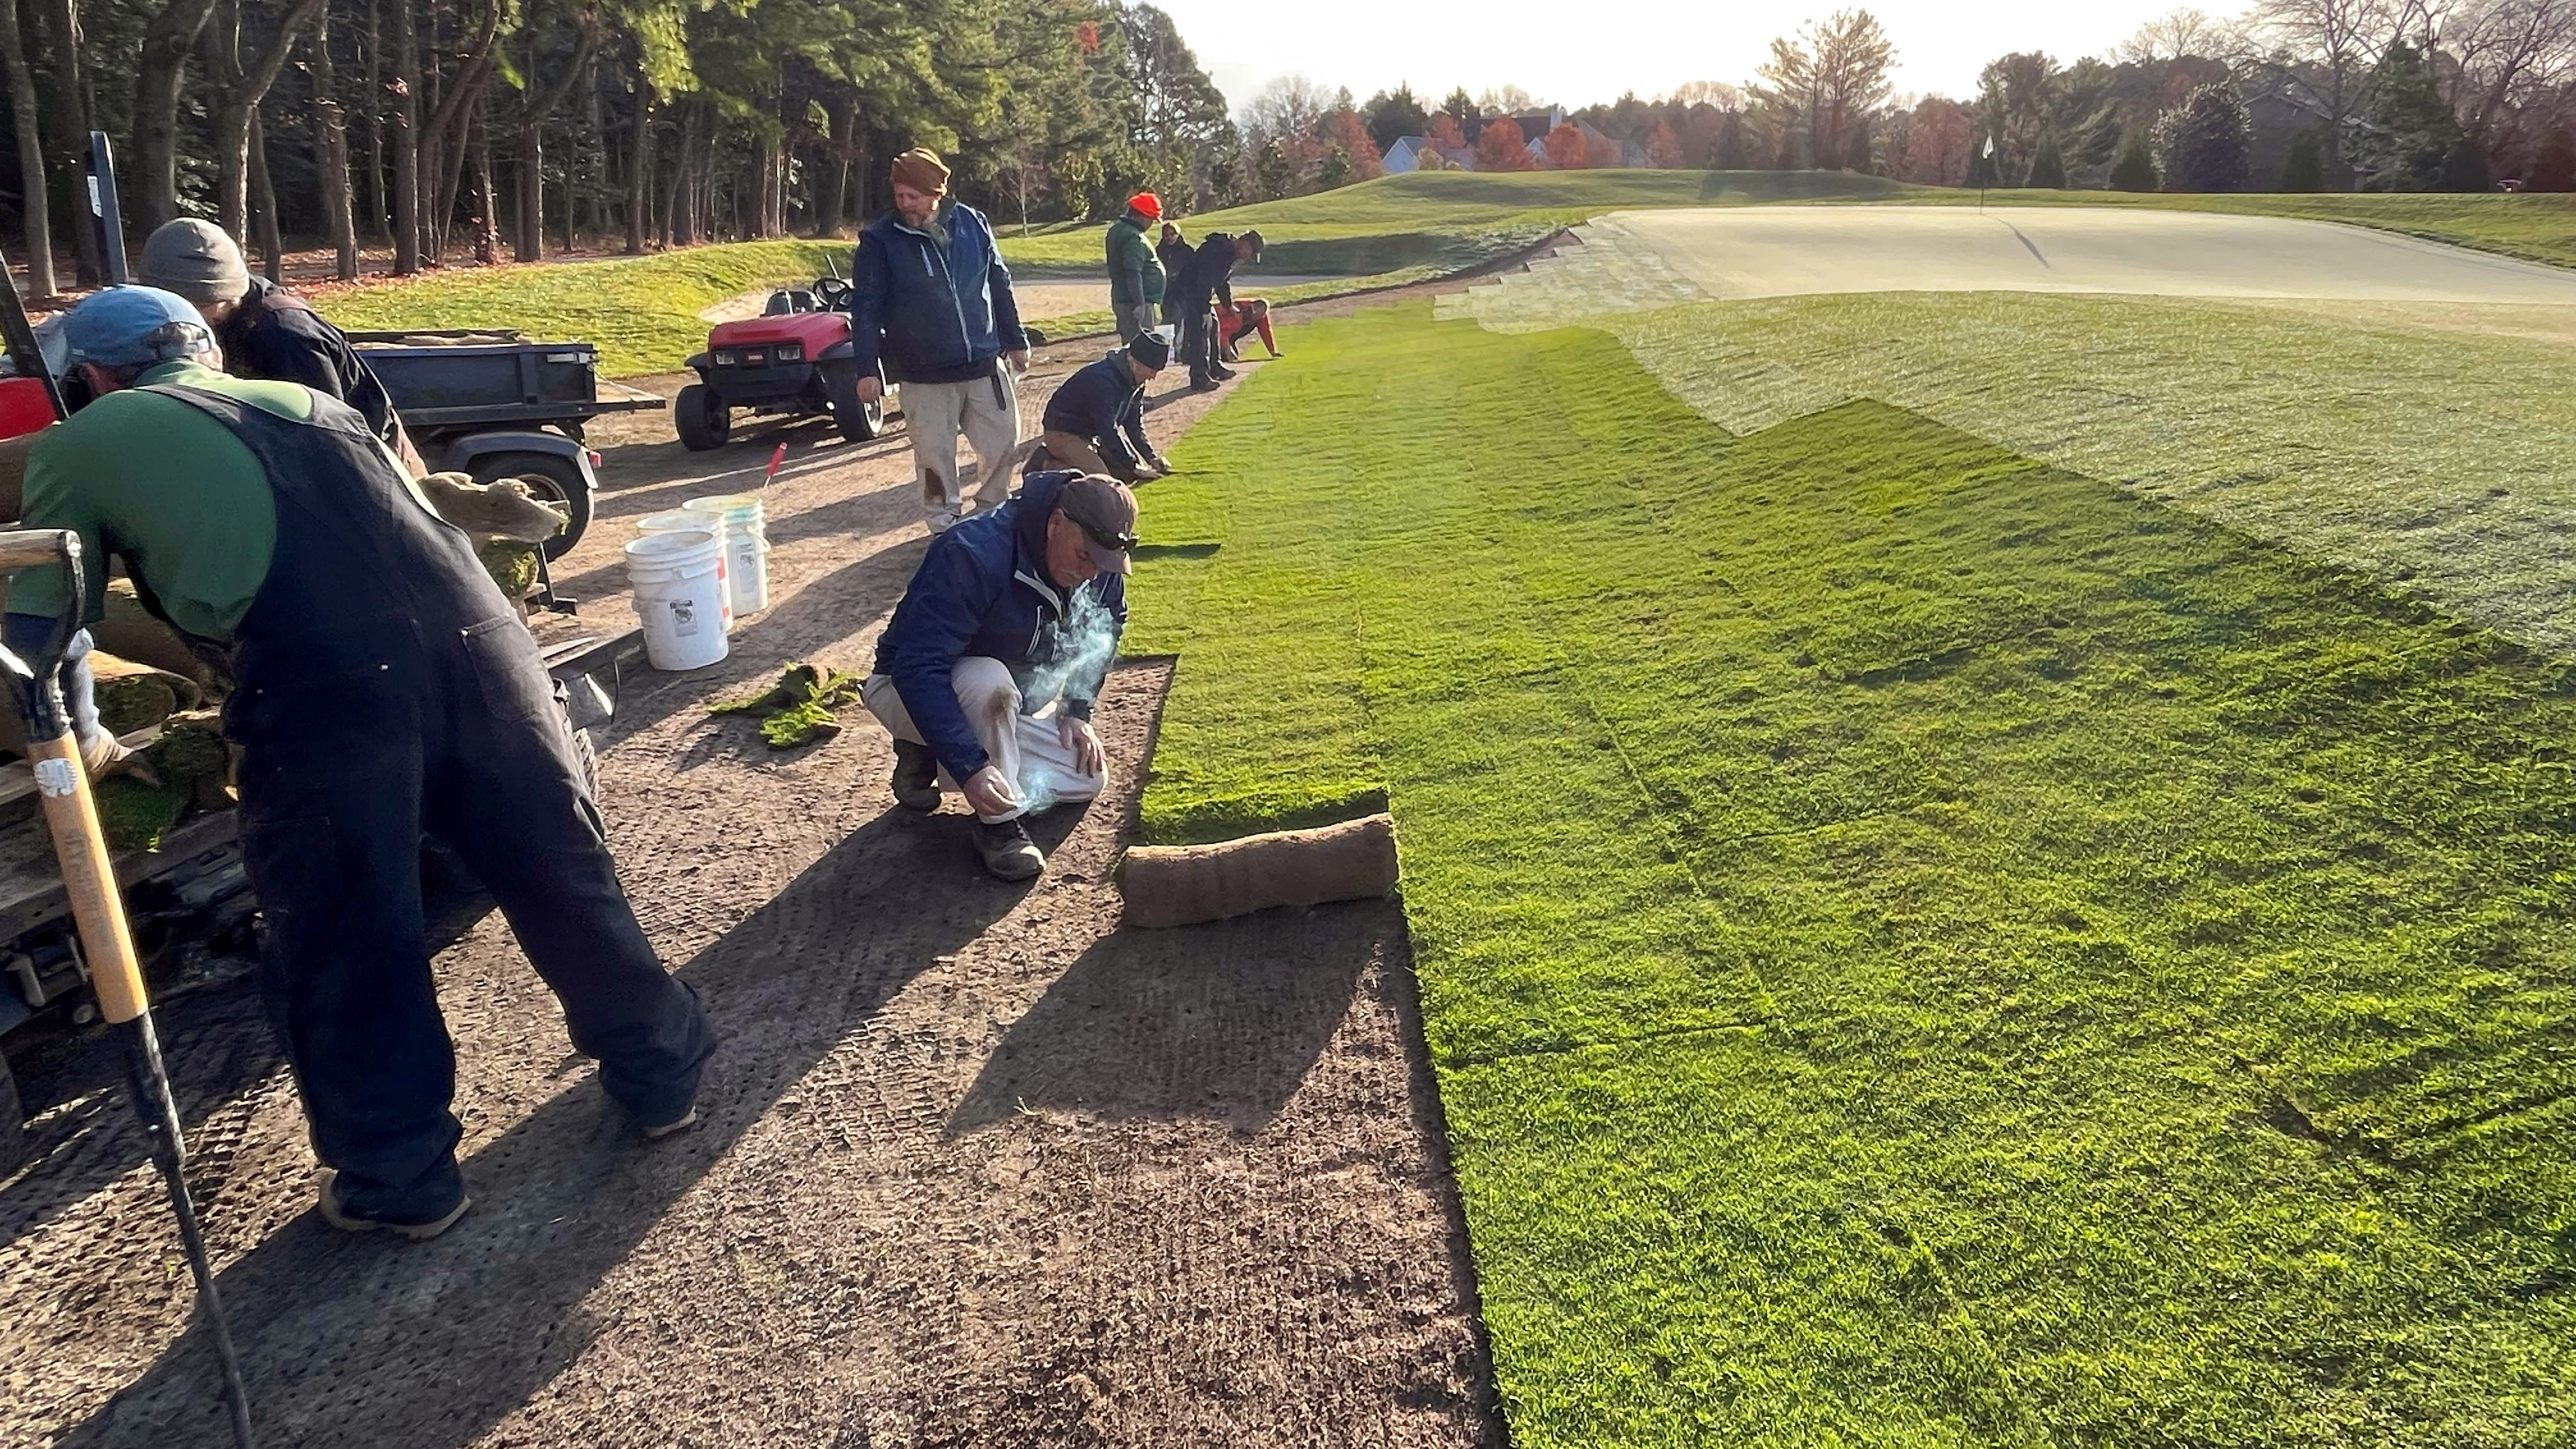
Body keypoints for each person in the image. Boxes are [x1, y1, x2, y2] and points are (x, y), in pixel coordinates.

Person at [8, 288, 713, 1240]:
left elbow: (39, 636)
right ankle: (664, 1077)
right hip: (487, 650)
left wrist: (86, 735)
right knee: (558, 869)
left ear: (93, 374)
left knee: (349, 926)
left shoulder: (79, 443)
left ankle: (400, 1174)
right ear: (203, 348)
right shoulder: (310, 401)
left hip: (327, 688)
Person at [861, 471, 1135, 881]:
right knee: (989, 682)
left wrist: (1077, 710)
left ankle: (930, 753)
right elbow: (918, 668)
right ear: (1055, 523)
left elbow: (1108, 625)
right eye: (1085, 556)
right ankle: (999, 827)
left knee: (1088, 777)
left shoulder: (1098, 563)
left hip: (1004, 704)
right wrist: (971, 767)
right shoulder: (973, 552)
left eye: (1104, 563)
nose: (1093, 573)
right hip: (904, 690)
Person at [846, 148, 1028, 535]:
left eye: (913, 196)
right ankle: (944, 523)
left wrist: (1016, 340)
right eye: (899, 195)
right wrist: (866, 369)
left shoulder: (973, 223)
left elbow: (999, 282)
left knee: (1004, 442)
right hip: (923, 375)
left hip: (983, 363)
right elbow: (866, 308)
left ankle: (993, 511)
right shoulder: (880, 240)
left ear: (936, 193)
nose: (905, 203)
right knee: (934, 457)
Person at [136, 219, 416, 467]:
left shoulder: (287, 338)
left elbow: (329, 437)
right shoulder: (223, 315)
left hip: (370, 464)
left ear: (218, 296)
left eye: (184, 307)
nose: (175, 318)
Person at [1023, 331, 1169, 483]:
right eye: (1152, 371)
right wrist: (1133, 465)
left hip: (1092, 435)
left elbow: (1133, 424)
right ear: (1136, 363)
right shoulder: (1103, 380)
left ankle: (1076, 460)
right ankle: (1048, 465)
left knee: (1127, 474)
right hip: (1062, 432)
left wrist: (1151, 458)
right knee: (1102, 482)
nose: (1153, 377)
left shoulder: (1137, 381)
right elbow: (1107, 428)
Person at [1172, 229, 1262, 391]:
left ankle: (1214, 367)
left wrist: (1228, 305)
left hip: (1198, 294)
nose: (1248, 258)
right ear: (1244, 243)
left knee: (1214, 326)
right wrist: (1203, 309)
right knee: (1200, 333)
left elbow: (1222, 283)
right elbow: (1204, 281)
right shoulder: (1219, 251)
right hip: (1189, 293)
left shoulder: (1229, 254)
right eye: (1250, 253)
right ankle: (1199, 377)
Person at [1103, 192, 1166, 343]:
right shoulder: (1133, 237)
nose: (1151, 224)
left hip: (1124, 297)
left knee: (1133, 343)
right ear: (1143, 217)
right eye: (1151, 219)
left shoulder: (1118, 230)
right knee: (1143, 345)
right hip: (1135, 301)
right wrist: (1140, 303)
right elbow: (1133, 272)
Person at [1218, 296, 1283, 361]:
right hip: (1216, 333)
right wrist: (1227, 350)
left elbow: (1266, 332)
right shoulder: (1235, 312)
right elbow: (1222, 334)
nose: (1256, 319)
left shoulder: (1261, 316)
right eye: (1255, 316)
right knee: (1225, 358)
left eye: (1259, 317)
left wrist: (1272, 351)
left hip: (1228, 337)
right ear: (1250, 309)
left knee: (1233, 358)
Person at [1156, 223, 1192, 327]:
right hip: (1166, 290)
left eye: (1172, 234)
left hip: (1182, 290)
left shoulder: (1186, 251)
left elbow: (1192, 269)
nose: (1169, 238)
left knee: (1180, 317)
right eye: (1166, 235)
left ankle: (1181, 337)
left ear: (1178, 234)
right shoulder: (1159, 250)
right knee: (1168, 317)